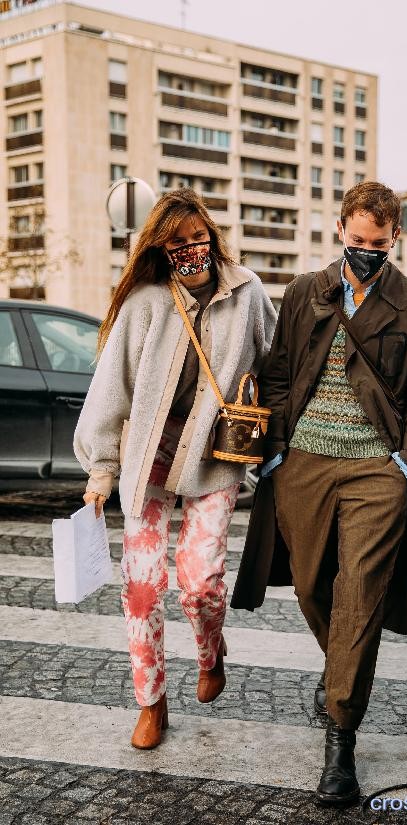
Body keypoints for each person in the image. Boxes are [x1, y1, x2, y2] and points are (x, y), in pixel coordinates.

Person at [232, 180, 407, 806]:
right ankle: (340, 676)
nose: (367, 252)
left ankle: (340, 738)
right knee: (309, 585)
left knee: (360, 596)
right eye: (357, 241)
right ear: (340, 232)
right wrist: (273, 453)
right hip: (303, 466)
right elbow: (276, 371)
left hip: (377, 473)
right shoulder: (305, 291)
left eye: (379, 243)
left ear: (396, 237)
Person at [74, 189, 277, 750]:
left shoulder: (247, 292)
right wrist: (100, 470)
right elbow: (109, 389)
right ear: (161, 248)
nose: (193, 248)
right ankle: (152, 701)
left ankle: (211, 652)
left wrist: (277, 440)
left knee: (200, 580)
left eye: (199, 236)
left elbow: (276, 364)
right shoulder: (145, 303)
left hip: (215, 457)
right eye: (179, 241)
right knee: (141, 588)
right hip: (149, 460)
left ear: (211, 232)